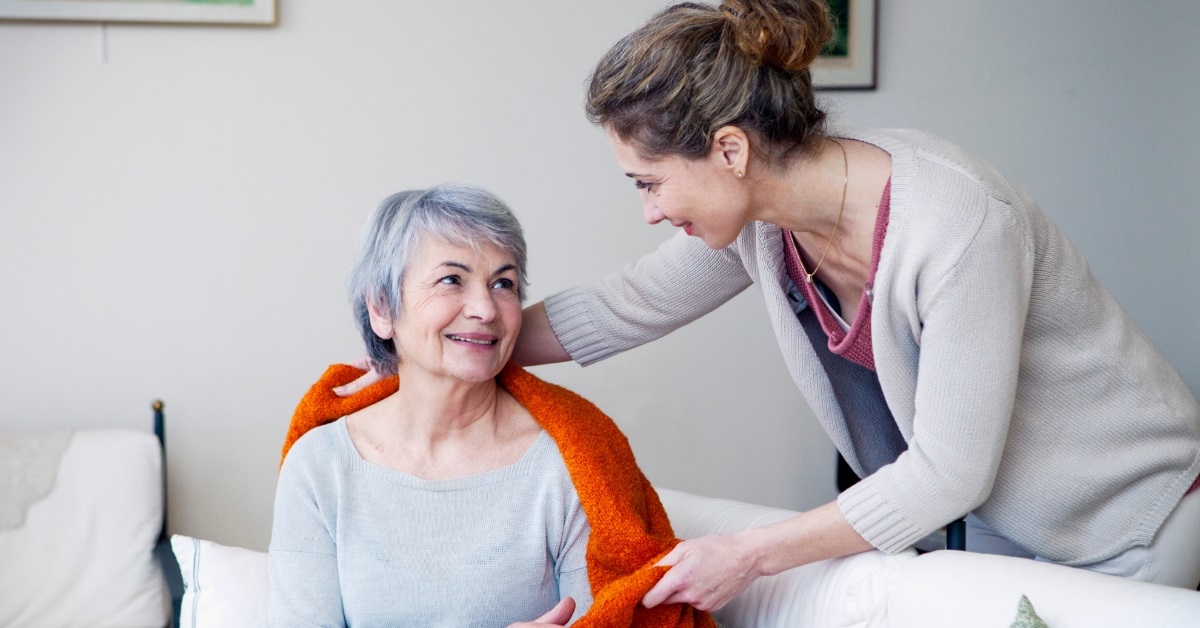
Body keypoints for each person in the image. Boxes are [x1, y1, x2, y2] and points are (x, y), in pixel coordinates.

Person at [340, 0, 1200, 611]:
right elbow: (627, 303)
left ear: (730, 150)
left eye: (649, 183)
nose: (650, 212)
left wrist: (747, 557)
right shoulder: (761, 220)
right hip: (997, 524)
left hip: (1130, 521)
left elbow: (949, 471)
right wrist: (440, 349)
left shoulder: (957, 225)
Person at [268, 185, 594, 626]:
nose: (485, 309)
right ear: (382, 308)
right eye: (451, 280)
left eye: (503, 283)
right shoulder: (320, 466)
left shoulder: (570, 462)